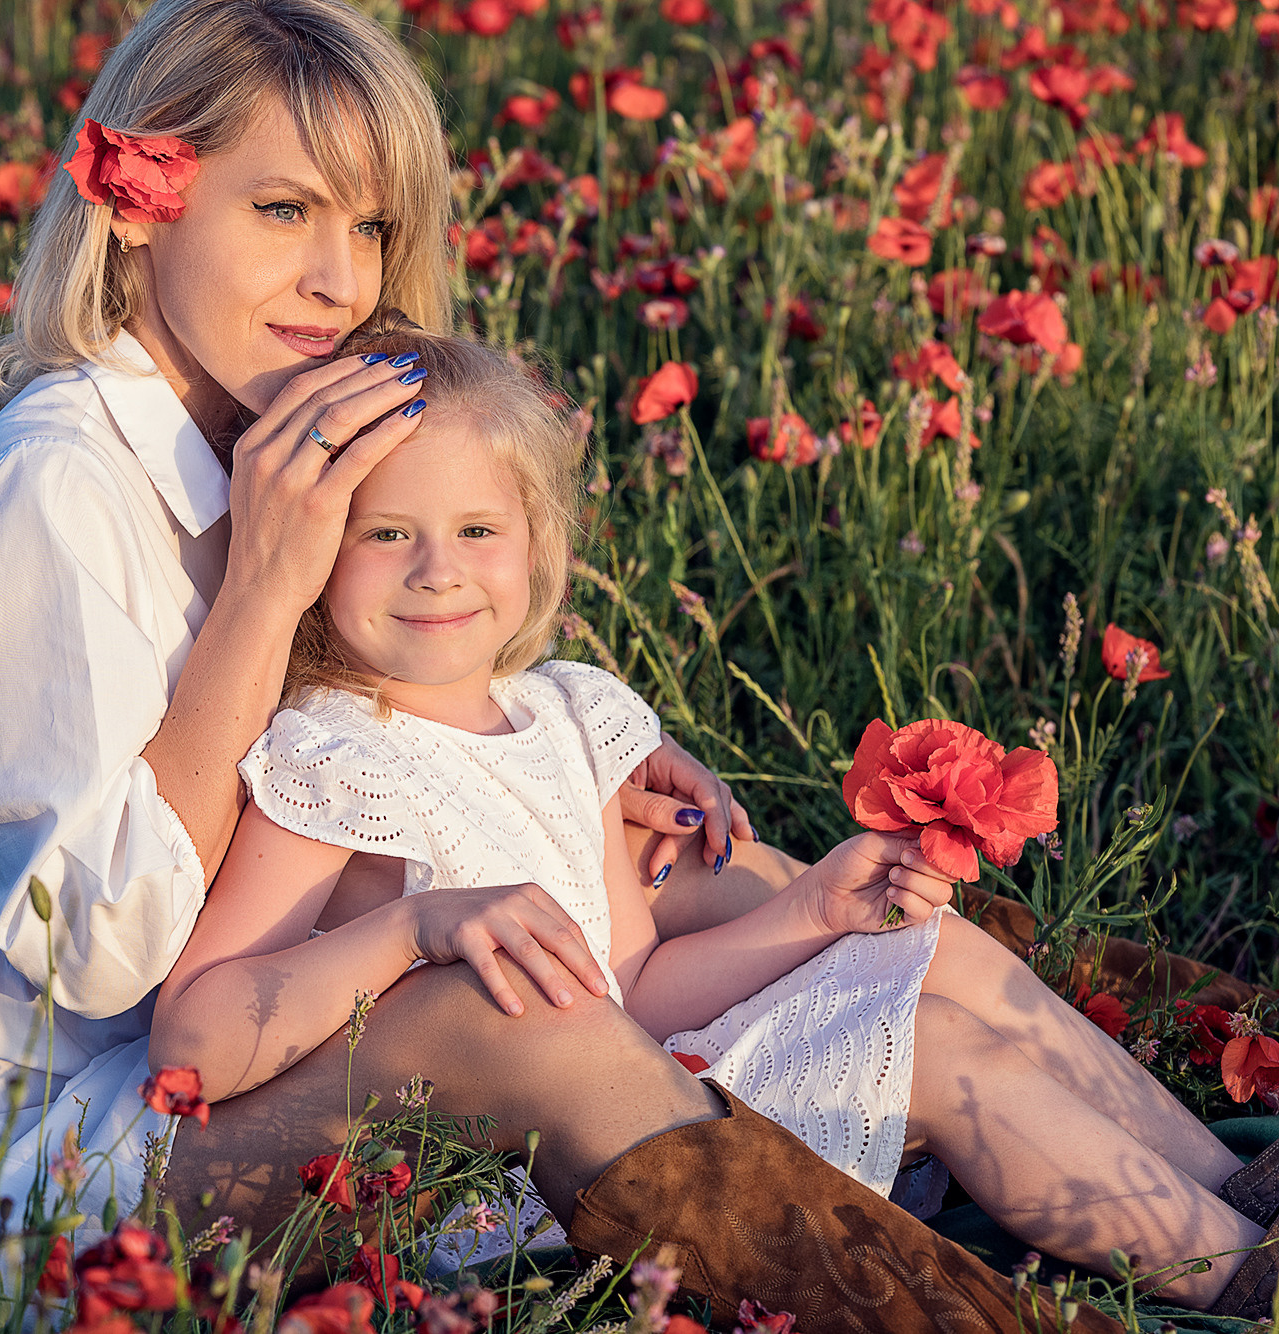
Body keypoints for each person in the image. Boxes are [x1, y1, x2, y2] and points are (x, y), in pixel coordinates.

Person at [0, 0, 1182, 1325]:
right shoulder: (48, 497)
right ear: (138, 203)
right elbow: (94, 954)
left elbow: (363, 704)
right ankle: (943, 1314)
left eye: (367, 228)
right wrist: (273, 598)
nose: (335, 278)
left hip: (216, 1047)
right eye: (283, 209)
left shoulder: (241, 432)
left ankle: (1211, 1180)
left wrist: (563, 763)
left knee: (697, 866)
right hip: (28, 1155)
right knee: (521, 1008)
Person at [148, 316, 1279, 1319]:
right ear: (313, 552)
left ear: (535, 539)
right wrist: (409, 927)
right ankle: (1235, 1274)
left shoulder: (564, 721)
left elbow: (630, 986)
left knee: (935, 963)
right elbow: (193, 1042)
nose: (437, 571)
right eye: (384, 532)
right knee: (930, 1050)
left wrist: (805, 909)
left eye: (476, 531)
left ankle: (1236, 1194)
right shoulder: (332, 757)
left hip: (648, 1067)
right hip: (524, 1181)